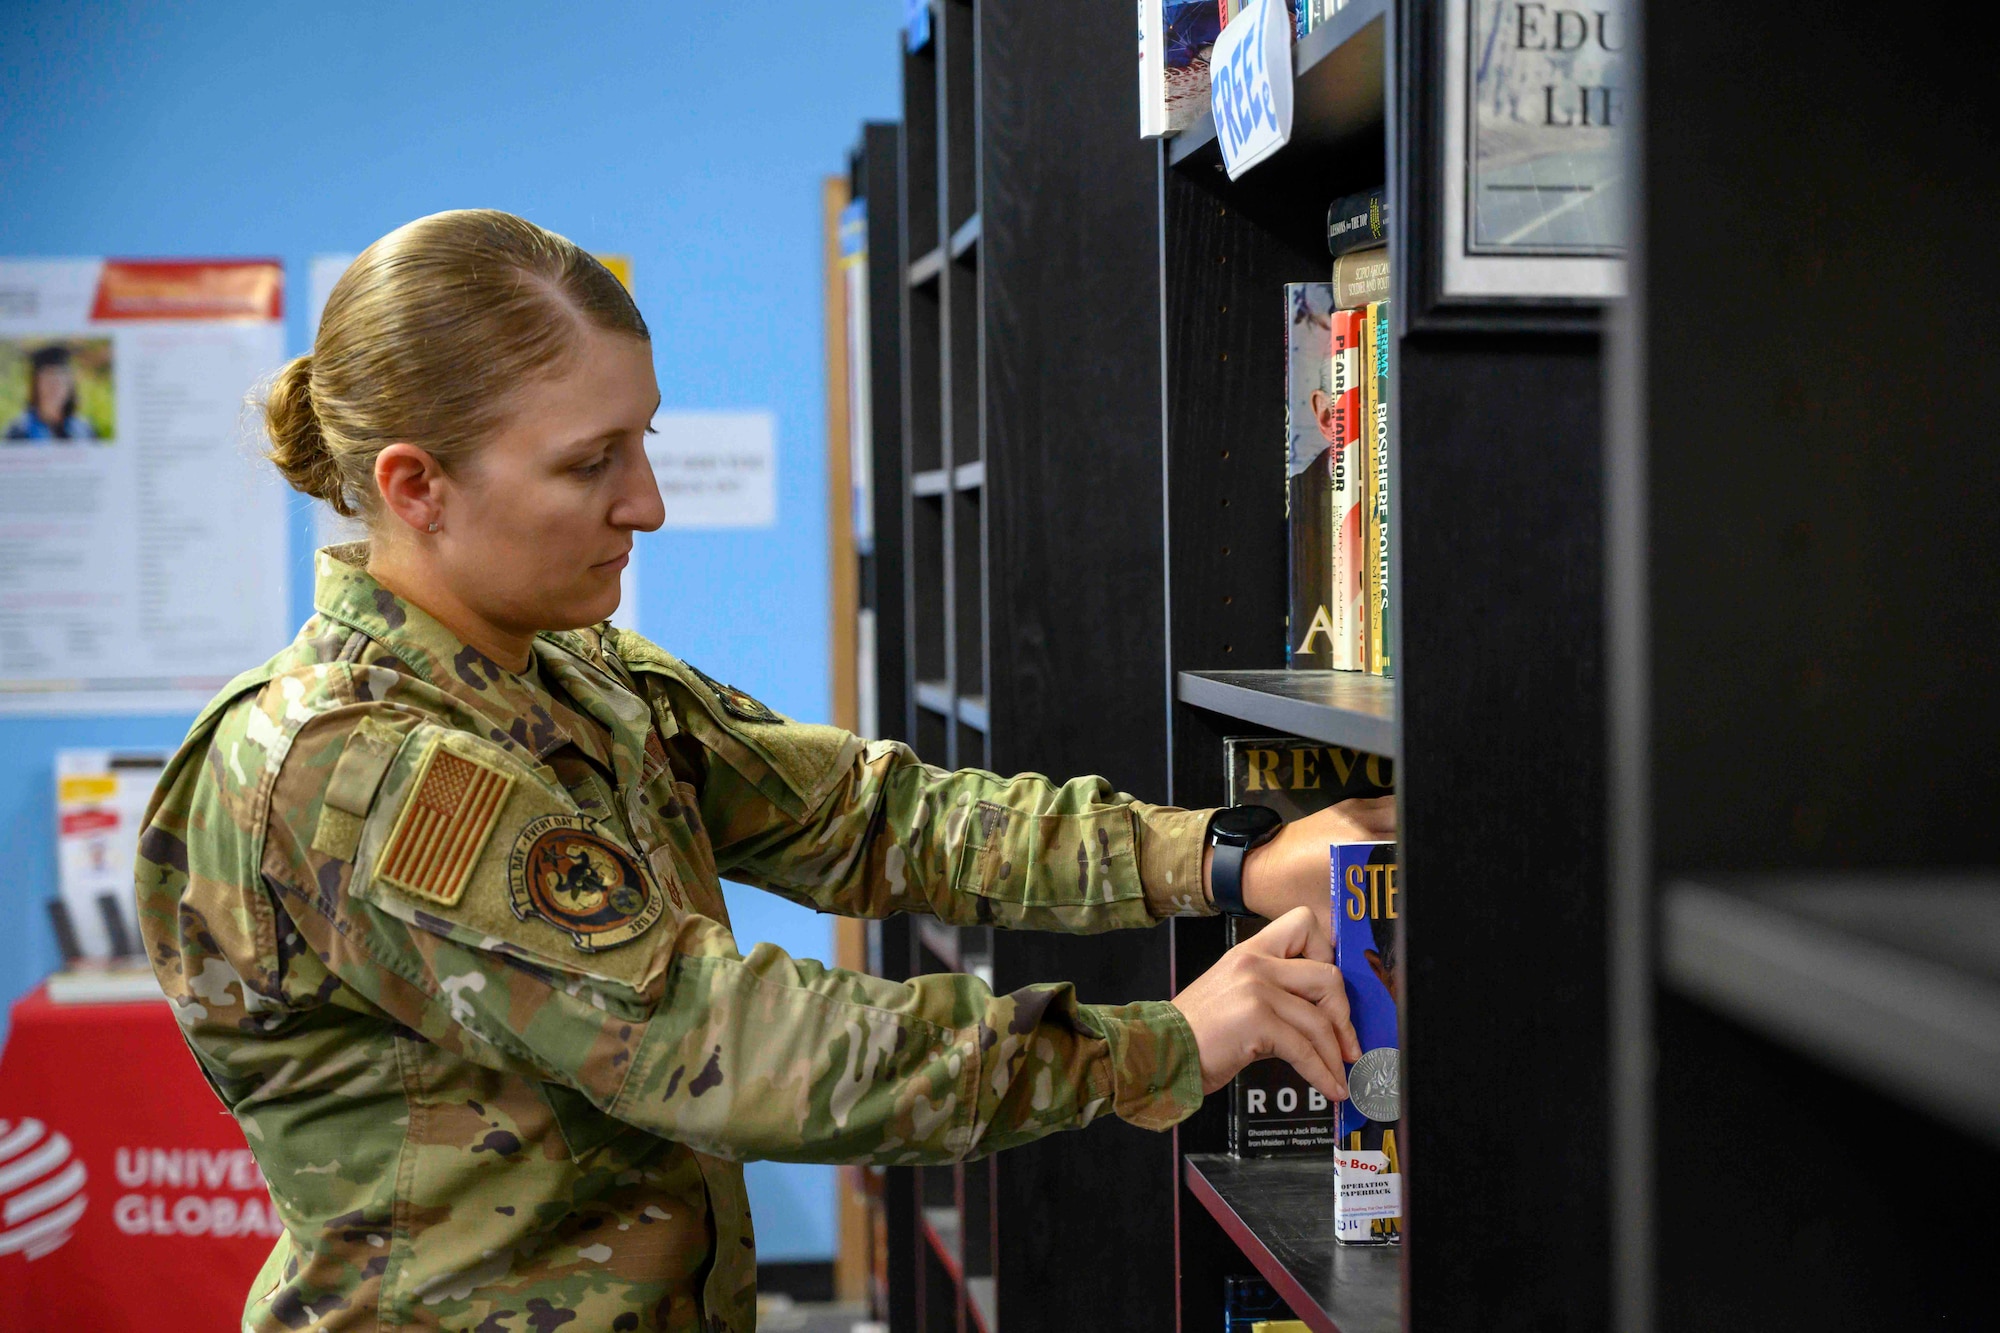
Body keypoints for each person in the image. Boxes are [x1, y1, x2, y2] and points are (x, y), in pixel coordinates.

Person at [136, 209, 1396, 1333]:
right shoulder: (355, 768)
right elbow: (727, 1043)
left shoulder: (576, 674)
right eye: (590, 463)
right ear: (415, 487)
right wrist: (1155, 1045)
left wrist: (1224, 859)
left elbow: (873, 817)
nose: (648, 503)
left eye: (643, 441)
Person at [4, 343, 99, 441]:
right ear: (36, 384)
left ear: (70, 384)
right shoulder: (18, 432)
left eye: (61, 377)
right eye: (48, 377)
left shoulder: (86, 431)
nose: (55, 385)